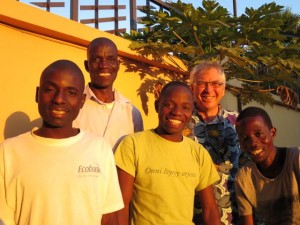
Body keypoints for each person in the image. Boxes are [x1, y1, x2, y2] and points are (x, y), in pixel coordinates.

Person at [0, 60, 124, 225]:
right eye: (50, 90)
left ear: (82, 101)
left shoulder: (99, 148)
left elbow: (109, 218)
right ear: (37, 94)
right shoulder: (9, 151)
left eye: (71, 92)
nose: (58, 99)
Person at [115, 81, 221, 225]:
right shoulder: (133, 144)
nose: (177, 112)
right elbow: (121, 205)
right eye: (169, 105)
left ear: (192, 111)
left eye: (185, 107)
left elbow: (210, 212)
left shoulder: (198, 153)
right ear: (157, 105)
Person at [184, 61, 244, 225]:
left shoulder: (238, 123)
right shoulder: (180, 122)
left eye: (216, 84)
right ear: (192, 88)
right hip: (189, 218)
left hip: (234, 217)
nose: (208, 90)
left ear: (223, 89)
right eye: (202, 83)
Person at [73, 37, 144, 151]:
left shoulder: (132, 114)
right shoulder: (73, 108)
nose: (104, 65)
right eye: (97, 59)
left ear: (118, 64)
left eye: (110, 59)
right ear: (87, 66)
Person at [235, 106, 300, 225]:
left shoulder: (296, 159)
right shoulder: (244, 178)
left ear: (272, 132)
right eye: (244, 138)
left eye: (258, 134)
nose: (252, 143)